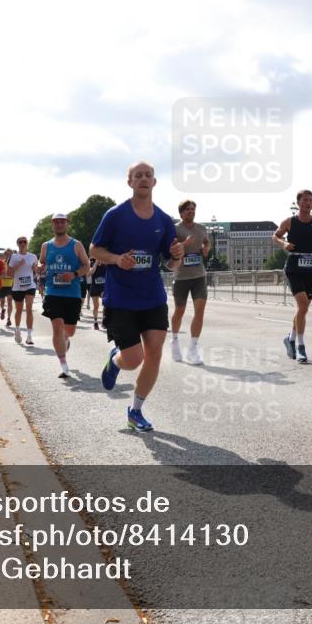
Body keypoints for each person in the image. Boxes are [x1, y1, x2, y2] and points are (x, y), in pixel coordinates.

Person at [90, 161, 184, 432]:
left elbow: (170, 264)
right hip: (121, 299)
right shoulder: (115, 215)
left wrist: (177, 257)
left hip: (152, 297)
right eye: (137, 175)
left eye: (148, 175)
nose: (143, 179)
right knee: (134, 360)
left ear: (154, 182)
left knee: (154, 354)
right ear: (129, 182)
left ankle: (135, 410)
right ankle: (116, 358)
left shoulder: (164, 221)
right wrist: (117, 259)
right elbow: (95, 249)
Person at [274, 189, 312, 363]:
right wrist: (284, 243)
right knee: (303, 304)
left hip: (311, 268)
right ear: (298, 203)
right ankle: (300, 346)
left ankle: (290, 338)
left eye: (310, 200)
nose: (308, 203)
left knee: (303, 309)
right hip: (293, 267)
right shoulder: (290, 222)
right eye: (305, 200)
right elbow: (275, 236)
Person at [38, 214, 91, 378]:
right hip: (53, 291)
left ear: (67, 224)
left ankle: (66, 339)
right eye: (56, 222)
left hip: (72, 293)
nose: (59, 225)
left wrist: (74, 274)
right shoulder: (46, 246)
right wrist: (40, 267)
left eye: (62, 222)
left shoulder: (76, 245)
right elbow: (42, 262)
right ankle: (63, 364)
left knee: (69, 330)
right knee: (57, 327)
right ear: (52, 225)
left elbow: (87, 265)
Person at [170, 200, 210, 365]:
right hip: (181, 276)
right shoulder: (176, 229)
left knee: (199, 312)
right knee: (179, 310)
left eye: (193, 209)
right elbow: (171, 248)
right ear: (181, 213)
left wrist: (206, 248)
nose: (191, 211)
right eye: (187, 209)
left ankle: (193, 348)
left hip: (199, 275)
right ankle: (174, 340)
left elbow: (206, 242)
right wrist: (184, 244)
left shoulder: (201, 228)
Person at [8, 236, 39, 345]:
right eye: (20, 242)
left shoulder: (33, 257)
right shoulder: (13, 257)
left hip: (30, 286)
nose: (22, 243)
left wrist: (36, 269)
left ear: (27, 244)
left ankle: (29, 336)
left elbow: (36, 271)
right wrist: (18, 265)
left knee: (29, 308)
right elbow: (9, 273)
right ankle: (17, 330)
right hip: (17, 287)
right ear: (17, 244)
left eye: (24, 242)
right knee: (19, 310)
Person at [87, 257, 105, 330]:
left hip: (103, 287)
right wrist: (96, 264)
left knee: (105, 304)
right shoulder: (92, 263)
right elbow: (89, 274)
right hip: (95, 287)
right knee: (96, 306)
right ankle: (95, 321)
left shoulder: (105, 265)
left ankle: (104, 320)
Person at [0, 250, 14, 326]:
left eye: (10, 254)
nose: (8, 255)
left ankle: (9, 318)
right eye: (7, 254)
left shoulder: (14, 263)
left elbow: (15, 273)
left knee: (9, 301)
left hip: (11, 284)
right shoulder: (1, 263)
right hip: (2, 284)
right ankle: (2, 310)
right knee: (2, 301)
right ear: (4, 255)